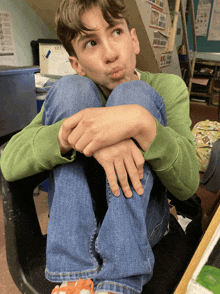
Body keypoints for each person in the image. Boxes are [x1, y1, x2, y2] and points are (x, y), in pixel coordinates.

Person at [0, 0, 200, 293]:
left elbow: (188, 184)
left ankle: (120, 280)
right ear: (76, 63)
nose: (109, 54)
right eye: (91, 42)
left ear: (134, 40)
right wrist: (73, 135)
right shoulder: (73, 92)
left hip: (141, 228)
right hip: (79, 226)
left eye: (116, 33)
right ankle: (73, 276)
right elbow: (9, 162)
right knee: (69, 89)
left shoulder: (168, 87)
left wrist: (142, 124)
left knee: (135, 93)